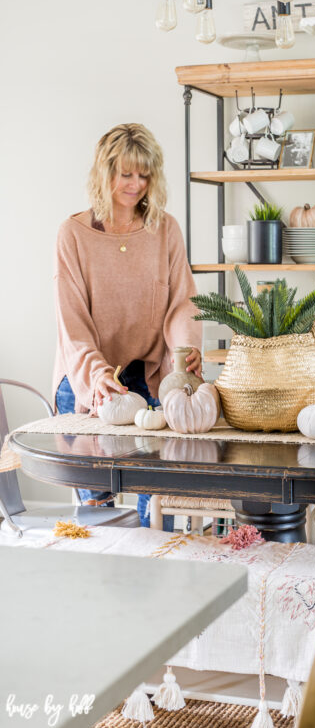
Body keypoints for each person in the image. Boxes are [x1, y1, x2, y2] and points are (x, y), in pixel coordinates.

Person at [53, 123, 202, 530]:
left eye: (145, 174)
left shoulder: (165, 229)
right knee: (99, 499)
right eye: (126, 173)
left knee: (157, 495)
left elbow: (181, 303)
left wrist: (185, 352)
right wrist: (98, 376)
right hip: (88, 377)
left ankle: (157, 565)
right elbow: (73, 323)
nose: (137, 184)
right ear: (105, 173)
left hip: (147, 373)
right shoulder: (73, 235)